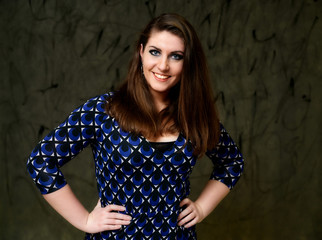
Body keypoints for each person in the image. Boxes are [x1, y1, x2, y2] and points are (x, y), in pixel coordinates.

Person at [27, 13, 244, 240]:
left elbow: (232, 163)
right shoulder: (103, 111)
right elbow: (41, 161)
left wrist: (201, 208)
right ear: (141, 52)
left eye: (176, 56)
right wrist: (85, 220)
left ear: (188, 62)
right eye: (155, 52)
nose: (163, 65)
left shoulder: (194, 116)